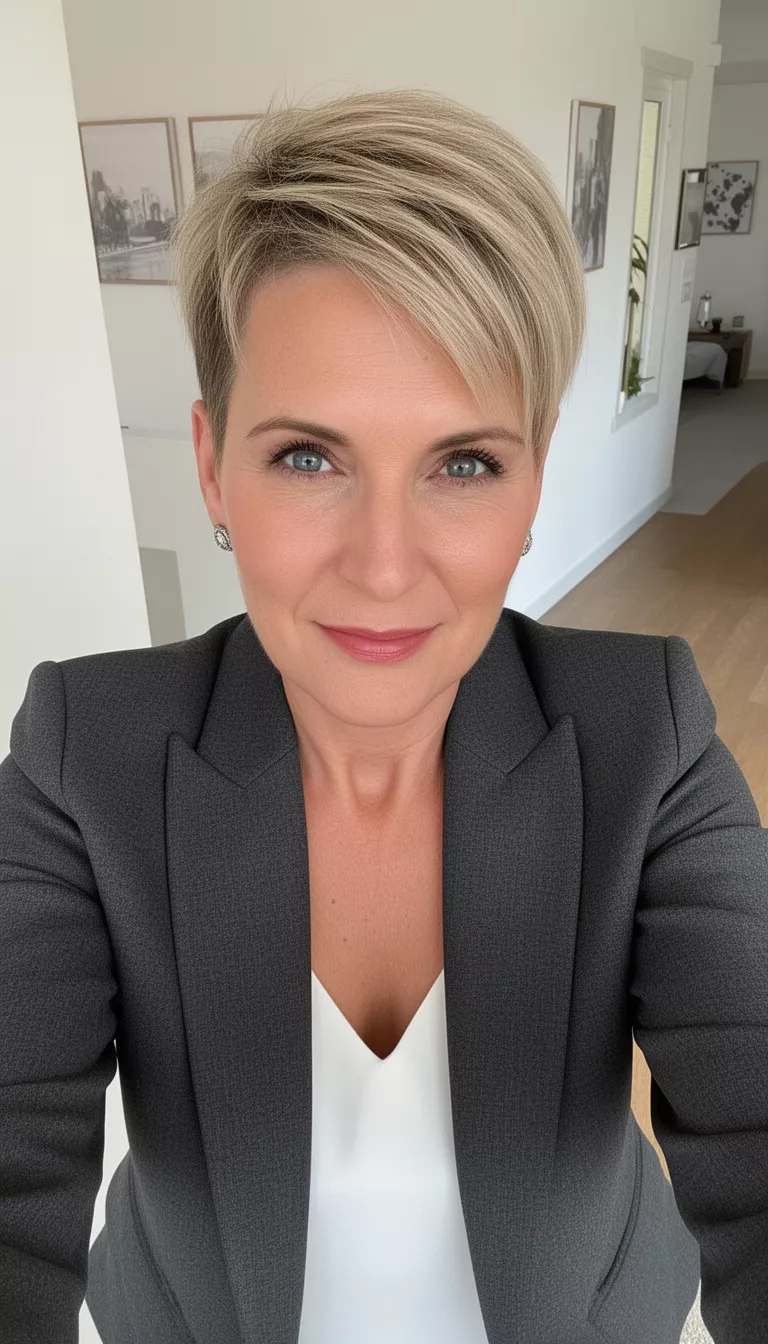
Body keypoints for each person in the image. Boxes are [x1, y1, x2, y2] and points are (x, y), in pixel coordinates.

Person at [1, 86, 766, 1344]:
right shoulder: (88, 754)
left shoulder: (648, 738)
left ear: (533, 480)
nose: (387, 564)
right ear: (212, 467)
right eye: (310, 456)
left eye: (463, 463)